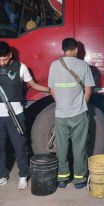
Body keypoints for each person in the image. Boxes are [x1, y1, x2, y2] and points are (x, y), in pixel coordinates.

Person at [0, 41, 50, 189]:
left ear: (10, 55)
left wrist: (49, 90)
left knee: (20, 146)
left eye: (4, 59)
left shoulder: (21, 68)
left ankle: (23, 175)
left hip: (16, 114)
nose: (2, 63)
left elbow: (33, 84)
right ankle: (2, 174)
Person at [48, 38, 95, 189]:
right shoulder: (83, 65)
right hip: (78, 113)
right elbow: (88, 90)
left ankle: (62, 178)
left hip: (61, 114)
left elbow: (52, 90)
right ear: (75, 49)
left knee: (61, 146)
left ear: (63, 50)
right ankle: (80, 180)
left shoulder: (54, 66)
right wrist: (81, 105)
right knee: (79, 146)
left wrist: (62, 103)